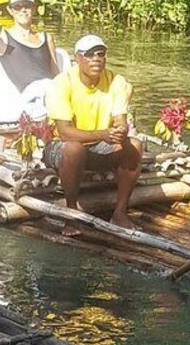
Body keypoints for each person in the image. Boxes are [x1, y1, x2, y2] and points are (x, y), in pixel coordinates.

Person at [44, 34, 142, 237]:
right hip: (61, 147)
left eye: (101, 54)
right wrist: (102, 133)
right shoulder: (61, 83)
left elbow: (120, 120)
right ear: (77, 58)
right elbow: (64, 132)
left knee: (134, 145)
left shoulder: (116, 81)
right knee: (74, 148)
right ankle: (71, 213)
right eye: (89, 55)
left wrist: (119, 132)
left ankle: (120, 212)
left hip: (99, 145)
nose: (96, 59)